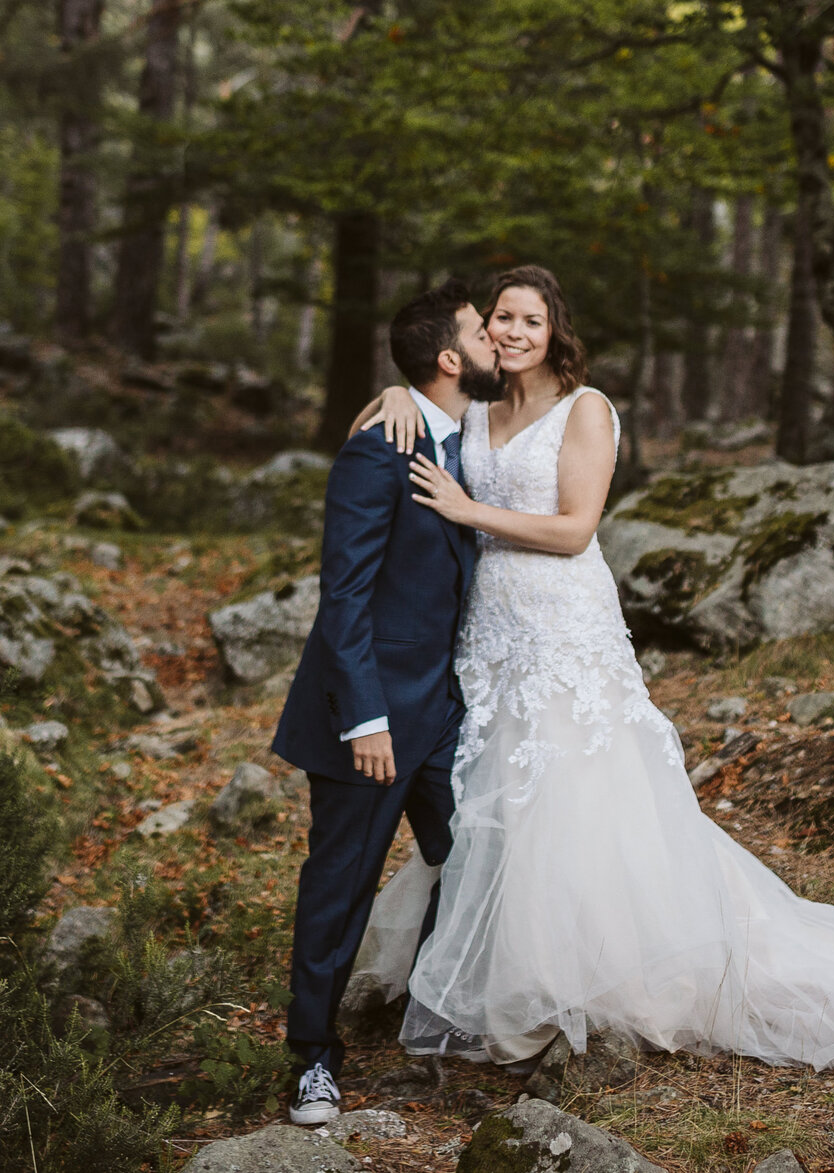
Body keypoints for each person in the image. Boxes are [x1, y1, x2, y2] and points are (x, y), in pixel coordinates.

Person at [345, 264, 834, 1076]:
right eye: (500, 319)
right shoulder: (477, 405)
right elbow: (418, 407)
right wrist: (399, 394)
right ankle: (511, 976)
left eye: (530, 320)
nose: (513, 333)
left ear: (556, 331)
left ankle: (593, 981)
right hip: (489, 634)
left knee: (576, 799)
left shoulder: (585, 410)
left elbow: (576, 528)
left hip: (562, 629)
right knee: (503, 801)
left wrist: (466, 508)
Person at [268, 278, 506, 1124]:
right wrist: (365, 717)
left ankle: (433, 1005)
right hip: (364, 721)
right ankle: (311, 1059)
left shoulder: (456, 427)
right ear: (451, 358)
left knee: (483, 853)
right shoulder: (379, 448)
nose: (497, 343)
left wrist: (404, 386)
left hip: (441, 712)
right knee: (340, 887)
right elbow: (345, 595)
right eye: (484, 332)